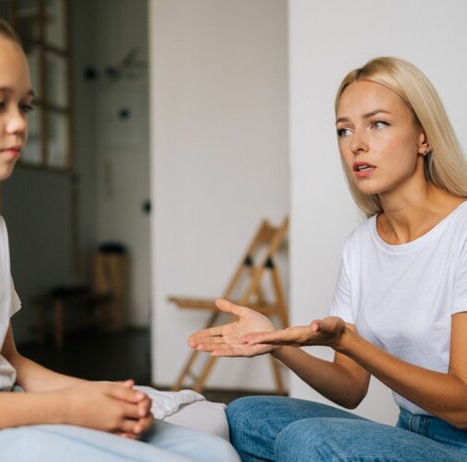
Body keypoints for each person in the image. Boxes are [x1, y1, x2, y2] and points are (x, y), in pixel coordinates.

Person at [0, 3, 239, 461]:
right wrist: (64, 408)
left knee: (215, 446)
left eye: (25, 105)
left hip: (7, 411)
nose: (19, 123)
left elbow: (8, 363)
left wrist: (105, 398)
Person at [189, 56, 467, 462]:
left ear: (423, 137)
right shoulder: (361, 245)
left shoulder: (462, 231)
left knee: (308, 442)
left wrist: (350, 343)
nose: (357, 144)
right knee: (246, 415)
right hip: (411, 433)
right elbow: (350, 388)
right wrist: (274, 342)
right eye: (344, 130)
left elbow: (462, 405)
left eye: (378, 124)